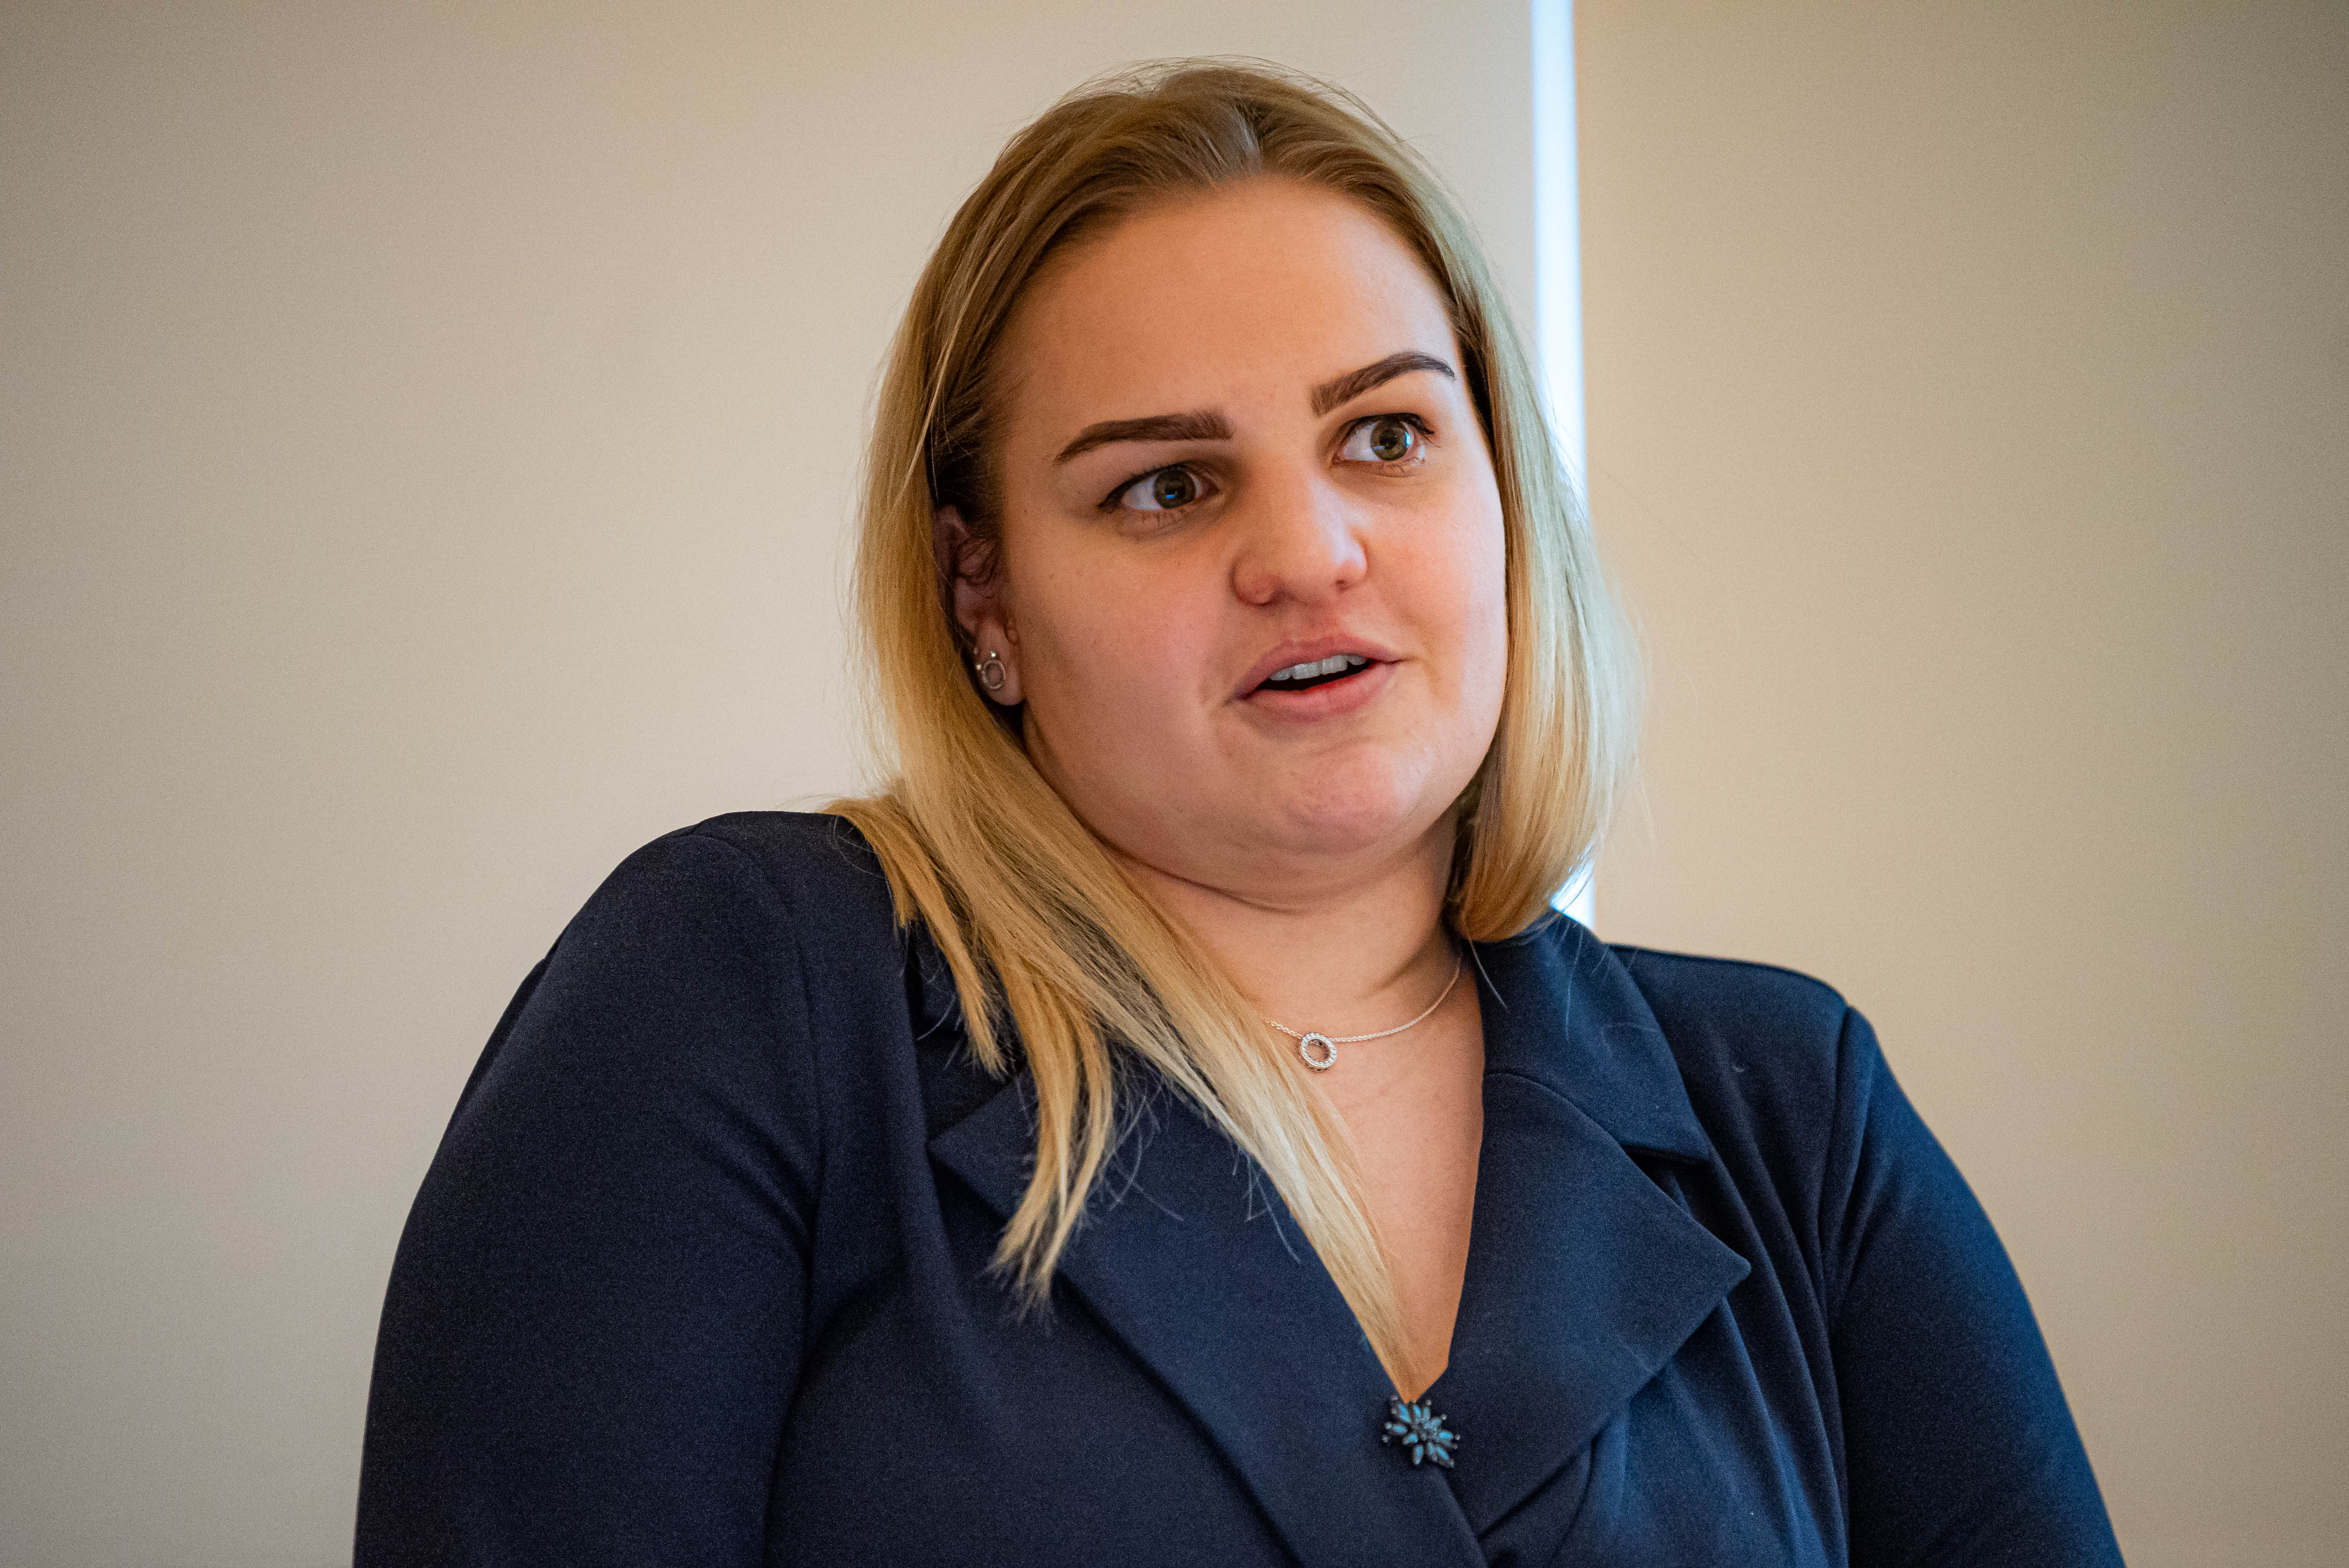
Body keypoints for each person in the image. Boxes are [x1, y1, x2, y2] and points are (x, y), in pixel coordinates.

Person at [355, 61, 2123, 1567]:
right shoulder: (747, 988)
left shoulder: (1792, 1107)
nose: (1308, 553)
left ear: (1503, 488)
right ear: (983, 593)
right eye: (1168, 485)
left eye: (1386, 437)